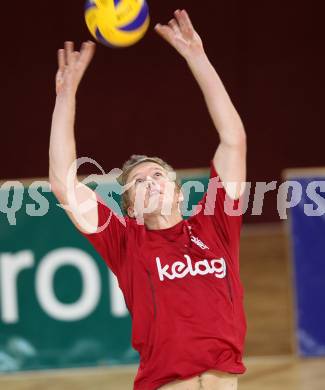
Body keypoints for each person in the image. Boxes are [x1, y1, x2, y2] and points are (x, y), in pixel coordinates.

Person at [49, 9, 247, 390]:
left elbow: (232, 140)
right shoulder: (127, 241)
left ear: (178, 191)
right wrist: (66, 96)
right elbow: (63, 183)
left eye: (158, 174)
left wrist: (197, 58)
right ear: (130, 206)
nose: (151, 181)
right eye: (138, 182)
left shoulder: (216, 225)